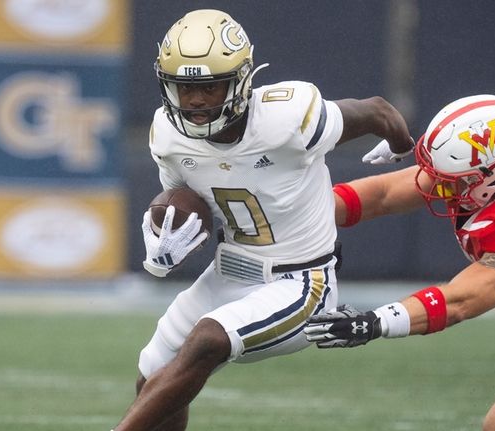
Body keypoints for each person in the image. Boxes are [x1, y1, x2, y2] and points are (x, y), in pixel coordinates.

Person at [114, 9, 414, 431]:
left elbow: (378, 111)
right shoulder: (167, 134)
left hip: (301, 282)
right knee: (153, 376)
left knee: (207, 340)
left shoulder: (288, 119)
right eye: (184, 88)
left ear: (240, 81)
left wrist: (400, 145)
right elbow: (187, 202)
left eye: (210, 86)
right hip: (229, 271)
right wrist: (168, 239)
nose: (195, 100)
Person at [305, 94, 495, 431]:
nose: (434, 183)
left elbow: (462, 300)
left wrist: (375, 322)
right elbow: (385, 195)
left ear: (489, 176)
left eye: (451, 178)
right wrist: (294, 216)